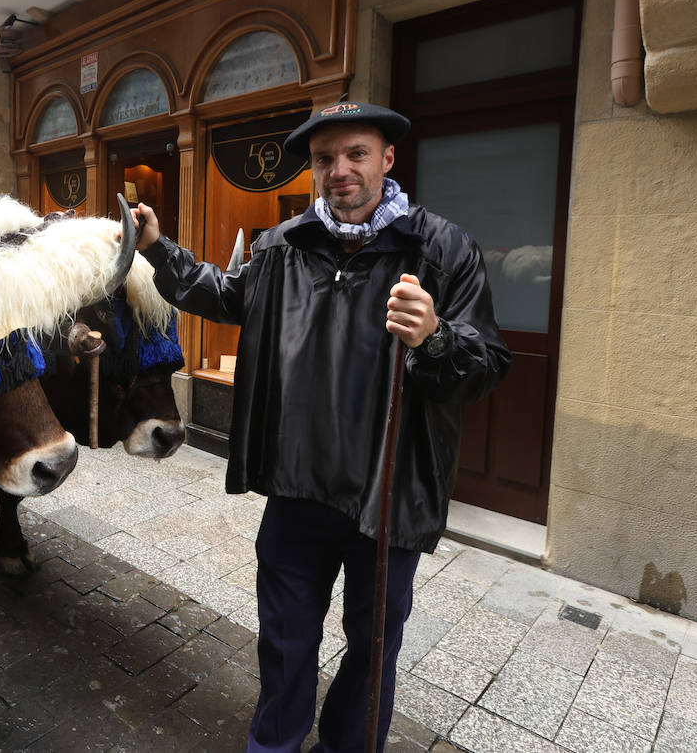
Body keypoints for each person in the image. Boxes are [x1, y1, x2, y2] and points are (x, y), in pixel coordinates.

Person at [133, 101, 511, 753]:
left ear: (387, 159)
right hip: (299, 487)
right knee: (285, 638)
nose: (339, 170)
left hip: (387, 498)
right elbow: (221, 295)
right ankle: (274, 745)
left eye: (355, 154)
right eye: (324, 159)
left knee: (372, 648)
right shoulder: (284, 247)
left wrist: (437, 337)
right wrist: (157, 249)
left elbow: (487, 367)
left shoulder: (442, 249)